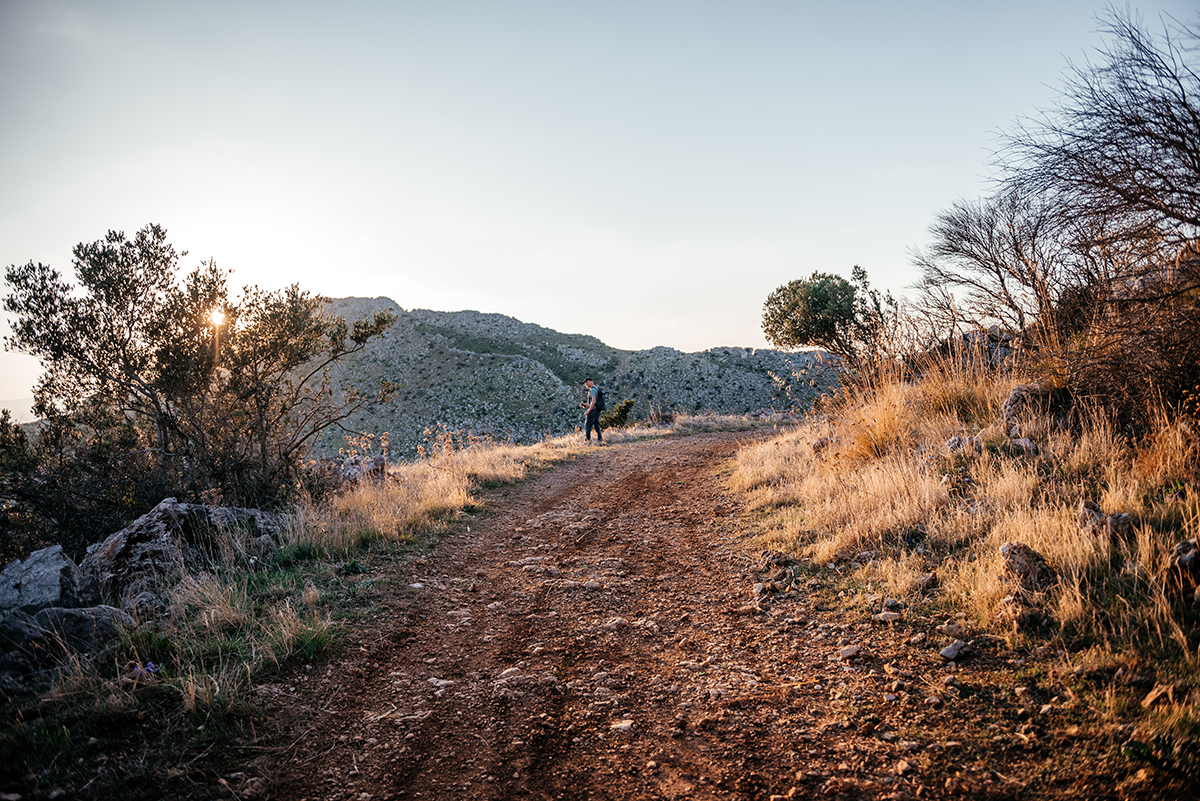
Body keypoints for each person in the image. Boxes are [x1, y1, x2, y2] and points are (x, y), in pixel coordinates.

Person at [581, 377, 603, 445]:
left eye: (586, 382)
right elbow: (593, 402)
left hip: (593, 411)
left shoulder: (592, 390)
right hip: (597, 410)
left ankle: (587, 441)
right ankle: (600, 439)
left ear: (590, 381)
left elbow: (594, 401)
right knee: (596, 425)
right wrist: (587, 404)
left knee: (588, 425)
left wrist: (588, 410)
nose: (586, 384)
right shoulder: (596, 389)